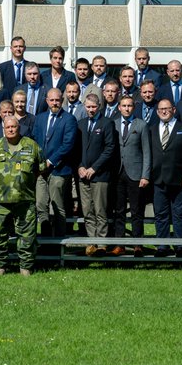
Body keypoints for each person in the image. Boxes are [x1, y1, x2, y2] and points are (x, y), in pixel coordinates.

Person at [0, 116, 45, 276]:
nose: (11, 130)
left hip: (24, 200)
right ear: (3, 129)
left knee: (27, 236)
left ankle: (25, 266)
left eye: (14, 127)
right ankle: (0, 266)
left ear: (19, 128)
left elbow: (40, 168)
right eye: (8, 127)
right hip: (0, 201)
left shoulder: (31, 146)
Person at [147, 99, 182, 257]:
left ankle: (179, 246)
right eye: (161, 109)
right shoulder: (151, 130)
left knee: (179, 214)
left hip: (179, 181)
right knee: (161, 215)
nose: (164, 112)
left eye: (167, 109)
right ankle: (162, 247)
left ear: (174, 110)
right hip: (158, 180)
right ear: (157, 112)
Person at [76, 92, 117, 257]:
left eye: (93, 107)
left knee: (100, 210)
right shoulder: (80, 124)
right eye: (88, 107)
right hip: (83, 175)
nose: (91, 110)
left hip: (100, 175)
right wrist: (80, 166)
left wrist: (94, 168)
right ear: (84, 107)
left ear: (99, 106)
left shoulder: (107, 123)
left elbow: (110, 149)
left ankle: (102, 243)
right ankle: (90, 242)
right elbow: (76, 149)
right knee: (87, 210)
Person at [33, 89, 77, 239]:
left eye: (57, 100)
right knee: (40, 204)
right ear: (46, 101)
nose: (54, 103)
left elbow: (68, 144)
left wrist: (50, 161)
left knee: (57, 206)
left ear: (62, 100)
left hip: (59, 169)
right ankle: (45, 241)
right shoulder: (39, 118)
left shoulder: (69, 119)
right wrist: (39, 163)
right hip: (40, 170)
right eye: (51, 100)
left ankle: (59, 244)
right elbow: (34, 141)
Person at [110, 95, 150, 256]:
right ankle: (119, 244)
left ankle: (137, 244)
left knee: (136, 210)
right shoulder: (112, 124)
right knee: (118, 210)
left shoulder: (141, 125)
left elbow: (147, 152)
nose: (127, 108)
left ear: (134, 107)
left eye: (129, 106)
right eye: (124, 106)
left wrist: (145, 175)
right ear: (119, 107)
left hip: (135, 173)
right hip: (117, 172)